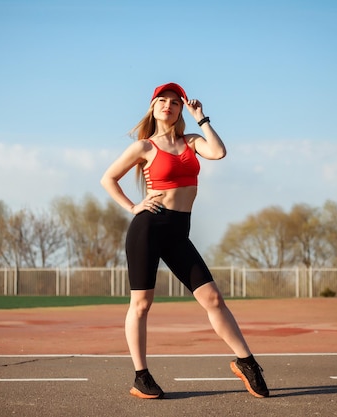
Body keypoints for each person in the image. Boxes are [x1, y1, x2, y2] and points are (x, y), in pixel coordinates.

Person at [100, 82, 269, 399]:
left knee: (213, 299)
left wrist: (201, 117)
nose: (169, 105)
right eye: (162, 100)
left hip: (179, 232)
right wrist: (133, 206)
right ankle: (141, 376)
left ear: (181, 110)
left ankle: (247, 362)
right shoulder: (144, 148)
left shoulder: (191, 141)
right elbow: (107, 179)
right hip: (148, 227)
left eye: (175, 102)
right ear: (153, 108)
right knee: (142, 304)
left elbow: (218, 152)